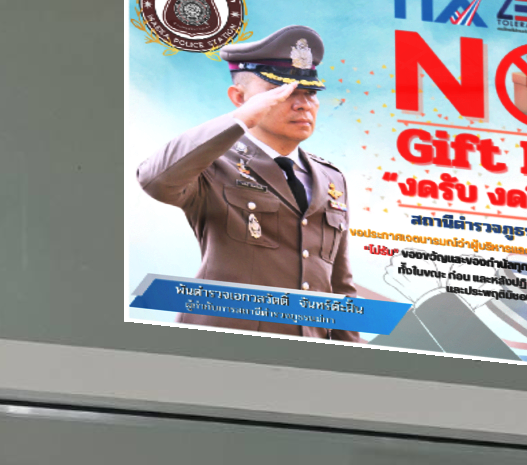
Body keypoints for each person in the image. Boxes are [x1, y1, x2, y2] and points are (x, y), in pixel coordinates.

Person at [135, 25, 361, 340]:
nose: (302, 103)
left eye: (310, 92)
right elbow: (155, 180)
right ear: (239, 97)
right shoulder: (211, 162)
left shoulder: (331, 178)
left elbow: (340, 286)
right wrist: (240, 120)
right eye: (282, 91)